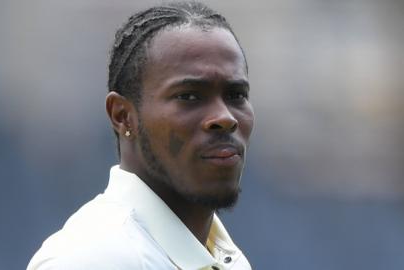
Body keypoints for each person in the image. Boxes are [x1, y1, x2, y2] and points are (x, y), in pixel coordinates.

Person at [27, 1, 254, 269]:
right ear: (122, 116)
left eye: (236, 95)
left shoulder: (227, 258)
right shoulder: (88, 259)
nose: (225, 118)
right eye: (189, 96)